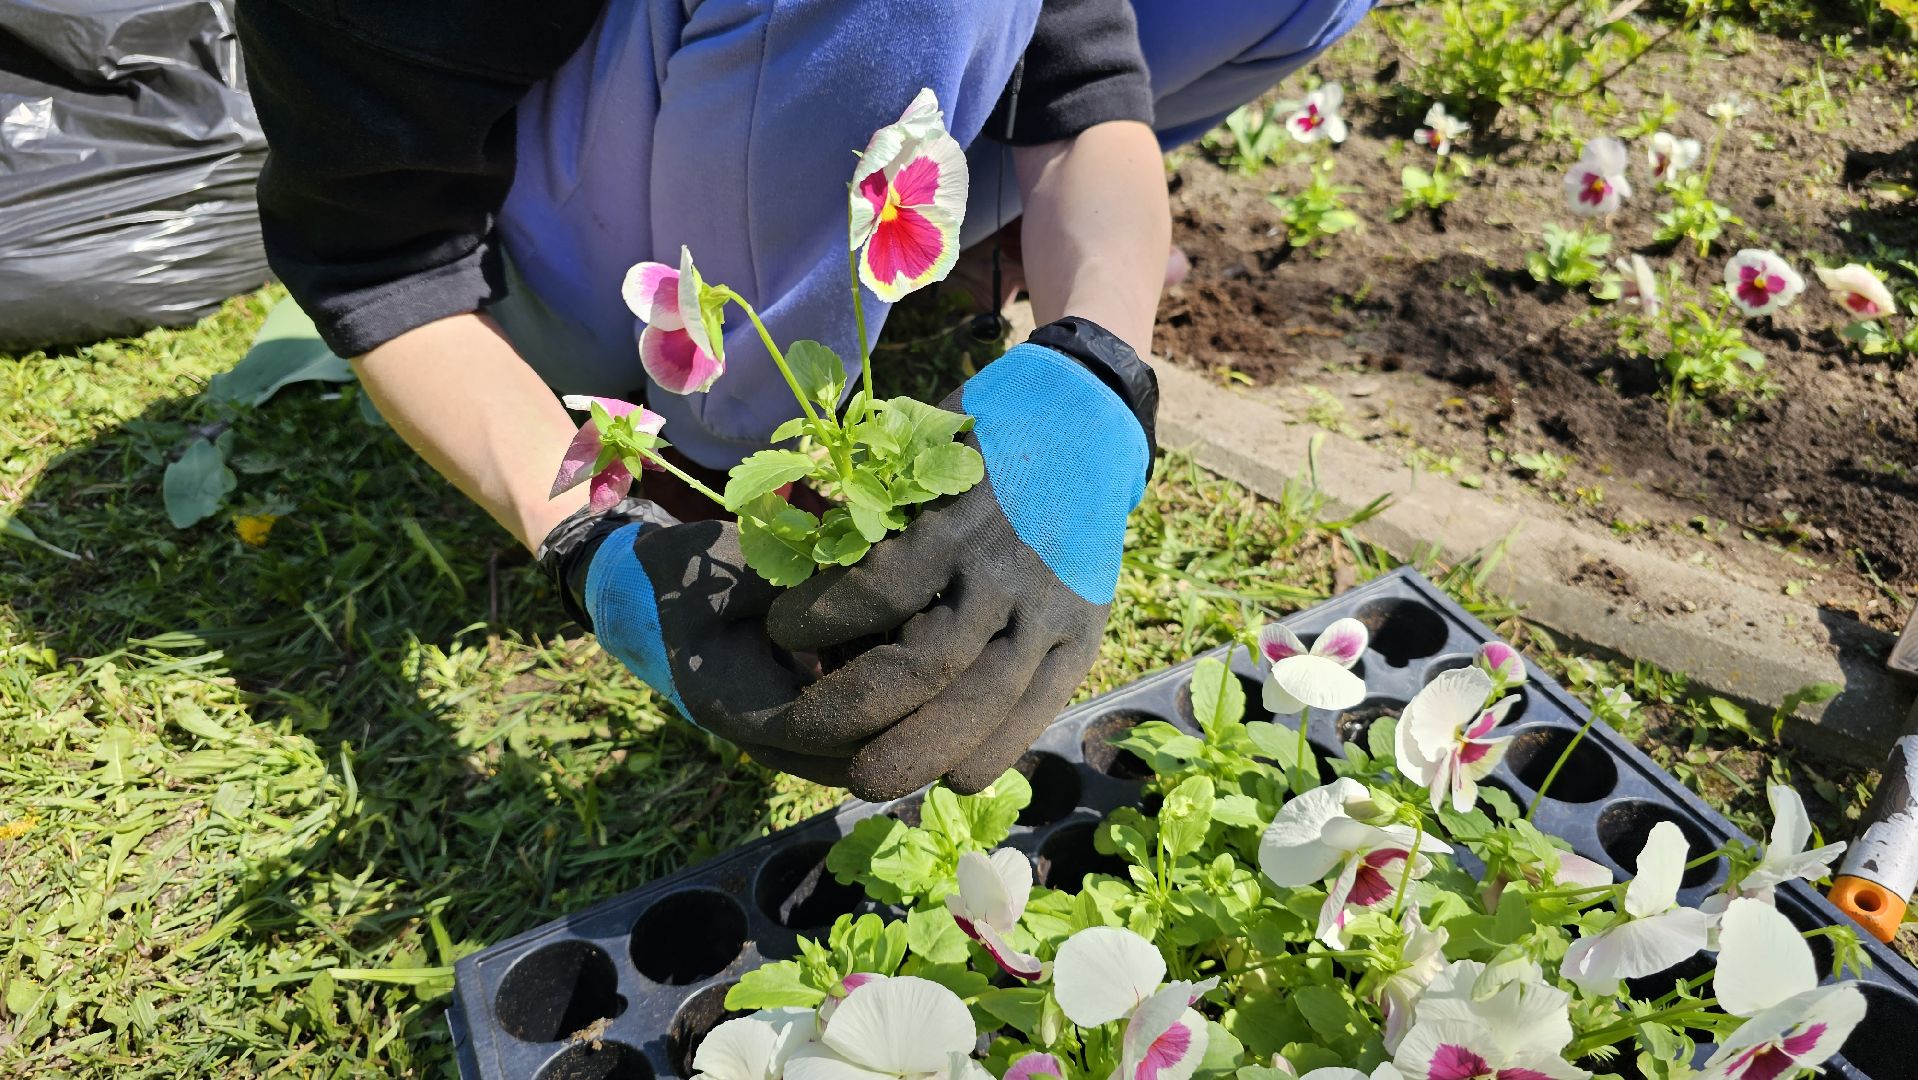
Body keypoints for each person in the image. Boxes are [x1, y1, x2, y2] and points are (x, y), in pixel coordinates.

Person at [236, 0, 1371, 800]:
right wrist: (587, 533)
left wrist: (1095, 378)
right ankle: (733, 449)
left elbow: (1085, 87)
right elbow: (378, 267)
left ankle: (915, 256)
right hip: (525, 272)